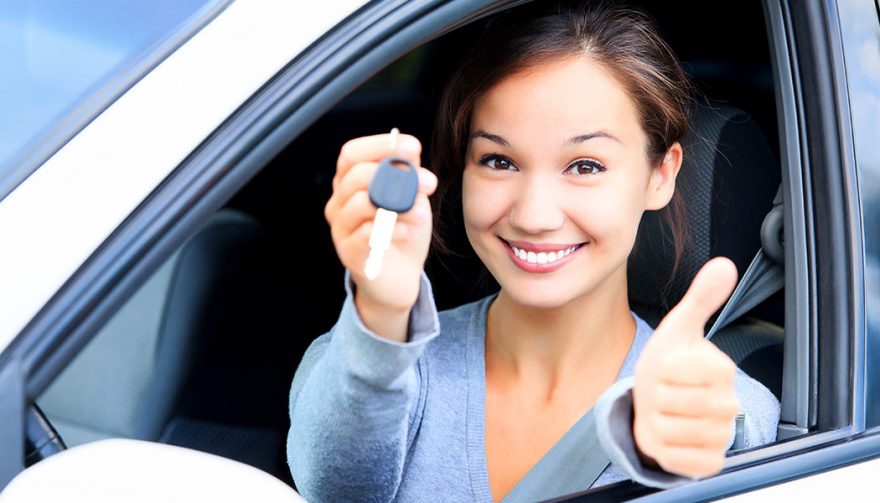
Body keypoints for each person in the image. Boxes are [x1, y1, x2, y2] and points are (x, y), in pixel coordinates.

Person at [287, 3, 780, 502]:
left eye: (585, 166)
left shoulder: (720, 407)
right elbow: (334, 490)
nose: (533, 215)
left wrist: (665, 452)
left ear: (661, 176)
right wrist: (382, 317)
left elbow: (714, 433)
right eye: (499, 161)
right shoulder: (364, 363)